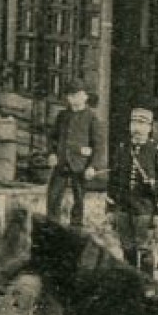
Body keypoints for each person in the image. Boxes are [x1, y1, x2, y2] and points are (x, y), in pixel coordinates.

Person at [106, 107, 158, 277]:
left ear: (149, 128)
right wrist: (110, 209)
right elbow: (114, 179)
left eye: (141, 124)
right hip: (123, 209)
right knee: (126, 249)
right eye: (134, 123)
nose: (137, 128)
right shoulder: (122, 148)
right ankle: (130, 284)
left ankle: (147, 284)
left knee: (145, 252)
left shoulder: (157, 151)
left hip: (144, 210)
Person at [45, 78, 104, 228]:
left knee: (79, 199)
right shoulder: (62, 116)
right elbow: (52, 138)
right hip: (61, 163)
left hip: (80, 166)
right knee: (53, 197)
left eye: (77, 95)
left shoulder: (91, 118)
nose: (74, 99)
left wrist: (93, 167)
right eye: (70, 96)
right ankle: (52, 228)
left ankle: (76, 229)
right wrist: (51, 153)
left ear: (85, 96)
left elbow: (98, 145)